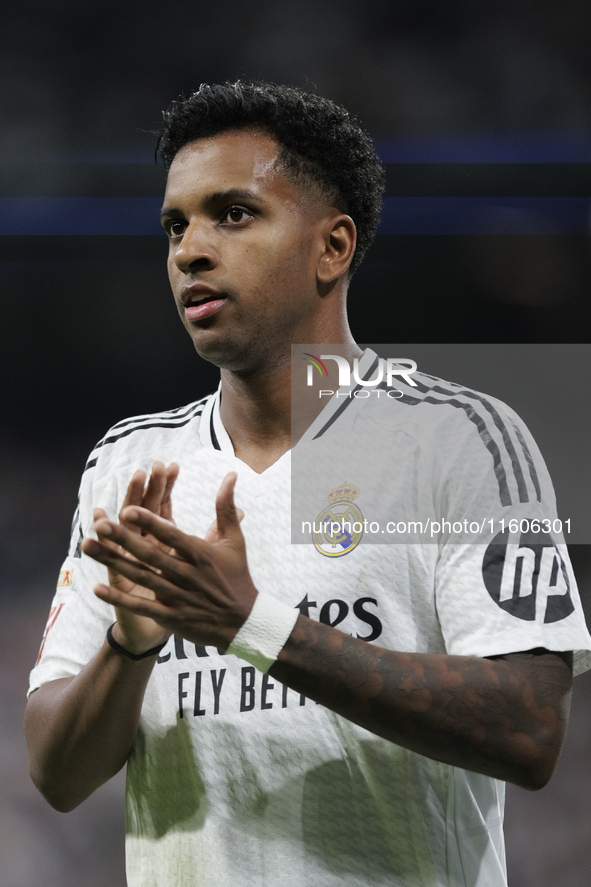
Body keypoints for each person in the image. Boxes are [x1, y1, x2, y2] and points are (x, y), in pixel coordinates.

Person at [25, 82, 591, 887]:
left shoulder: (457, 436)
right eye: (175, 224)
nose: (189, 249)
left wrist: (251, 622)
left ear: (332, 248)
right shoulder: (131, 462)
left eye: (233, 213)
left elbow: (530, 729)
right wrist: (131, 642)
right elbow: (57, 773)